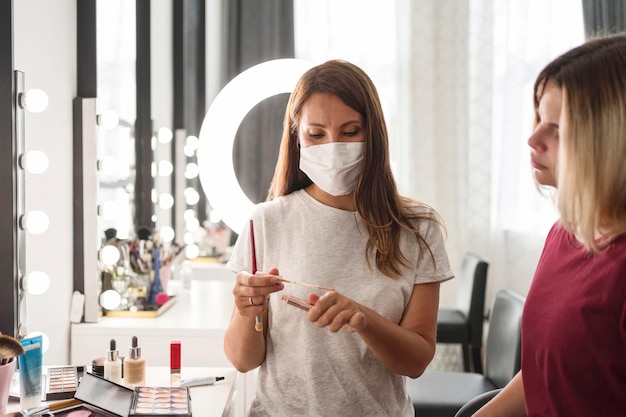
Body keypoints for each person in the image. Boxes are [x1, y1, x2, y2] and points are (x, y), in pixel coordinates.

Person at [223, 60, 454, 416]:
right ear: (297, 136)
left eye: (350, 132)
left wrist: (364, 319)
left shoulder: (418, 228)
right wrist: (245, 310)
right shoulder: (265, 222)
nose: (333, 147)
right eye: (317, 134)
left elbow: (416, 361)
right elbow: (242, 360)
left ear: (373, 133)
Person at [474, 35, 626, 416]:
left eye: (555, 128)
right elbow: (544, 372)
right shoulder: (564, 233)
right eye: (539, 118)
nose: (533, 137)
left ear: (609, 140)